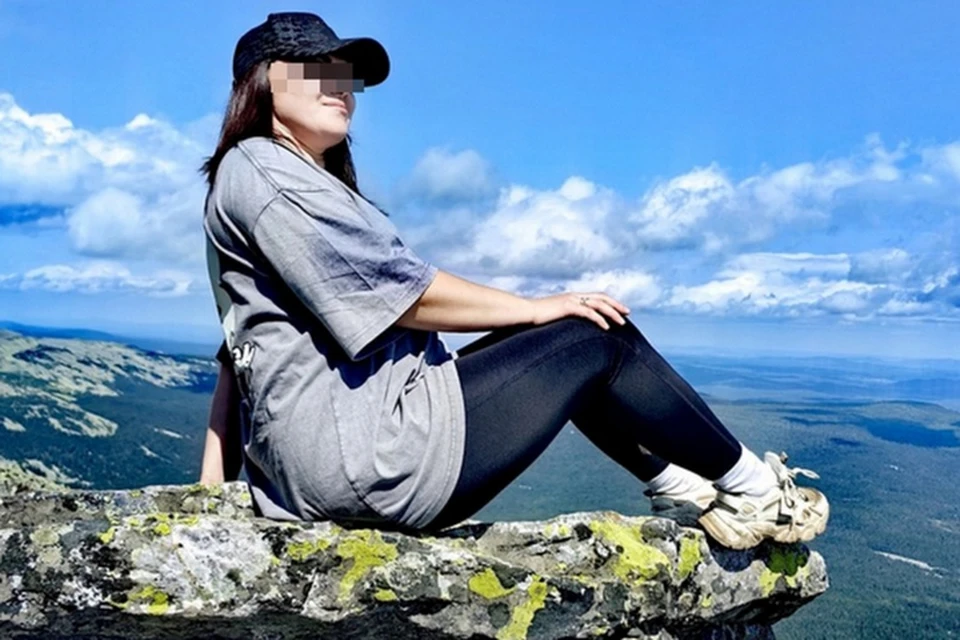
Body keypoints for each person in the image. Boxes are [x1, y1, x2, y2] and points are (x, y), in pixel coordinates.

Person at [198, 12, 828, 550]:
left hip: (336, 461)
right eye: (318, 69)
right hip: (373, 459)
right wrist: (533, 308)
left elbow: (239, 356)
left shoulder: (254, 181)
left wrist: (210, 497)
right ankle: (758, 493)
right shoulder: (265, 169)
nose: (342, 87)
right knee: (594, 338)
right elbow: (406, 296)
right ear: (263, 79)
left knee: (567, 340)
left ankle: (686, 489)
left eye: (347, 76)